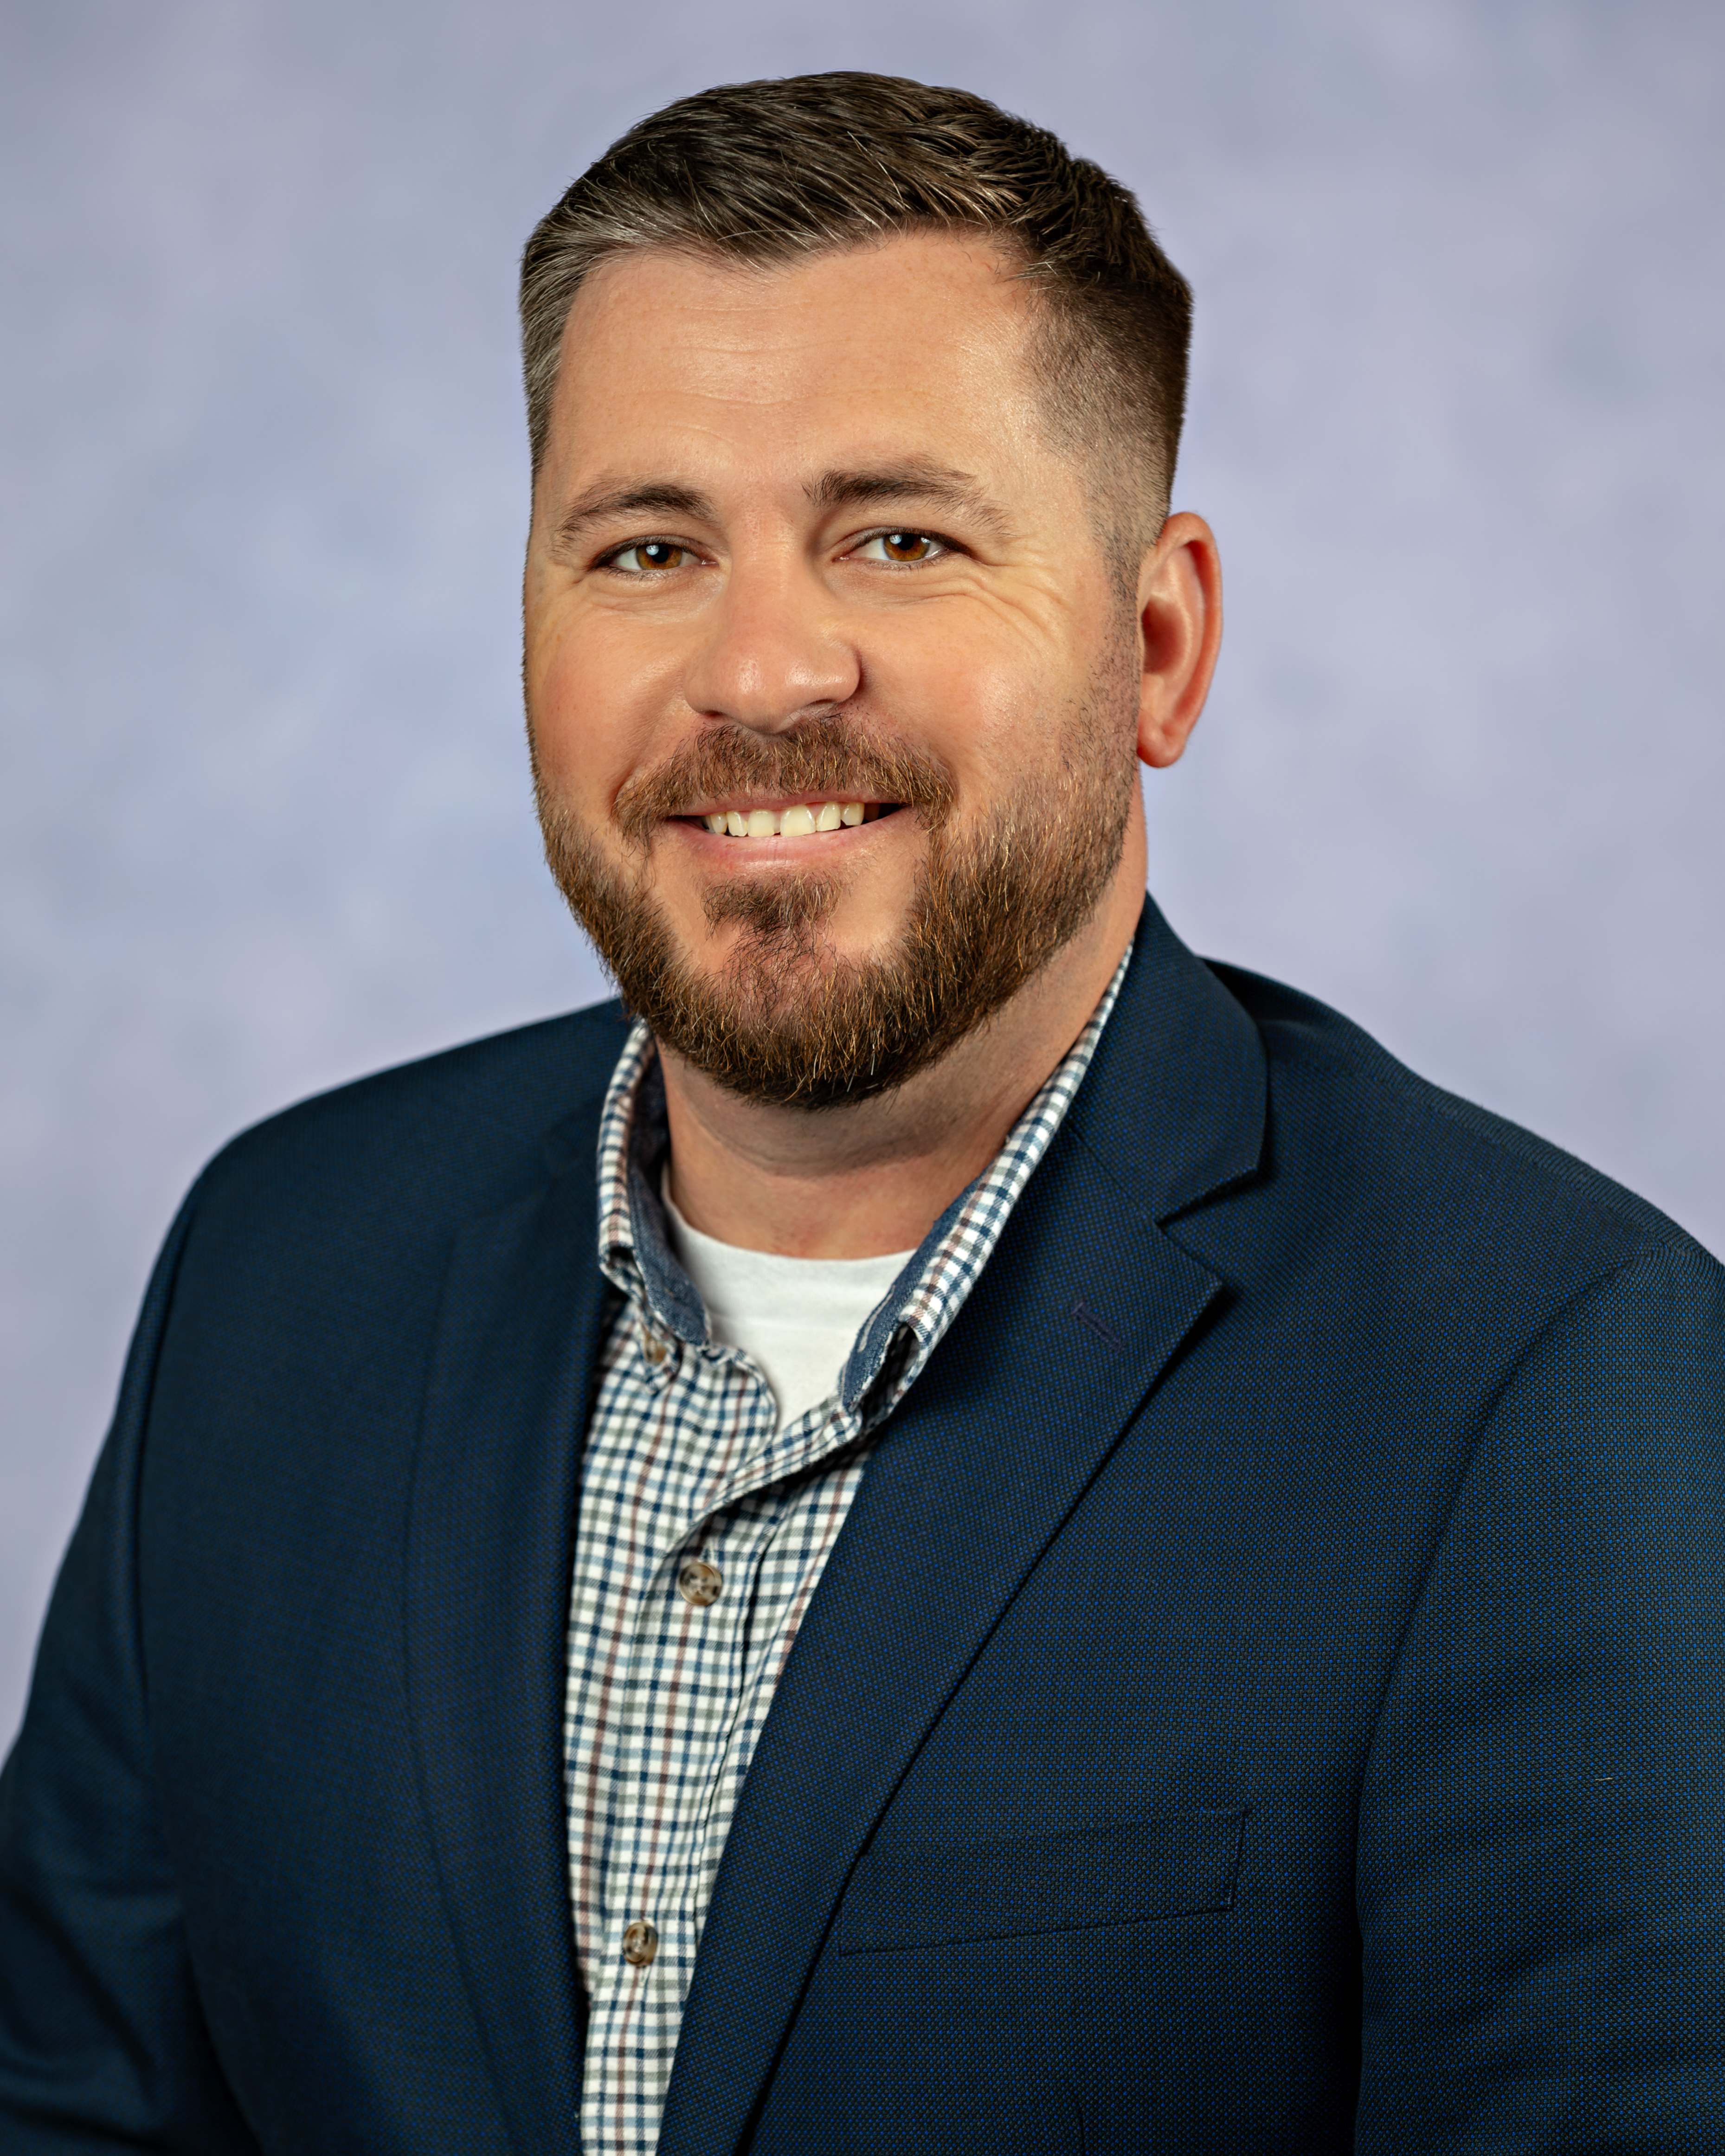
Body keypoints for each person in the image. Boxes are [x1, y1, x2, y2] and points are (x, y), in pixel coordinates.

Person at [1, 68, 1721, 2156]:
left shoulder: (1557, 1394)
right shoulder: (274, 1270)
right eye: (647, 546)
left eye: (896, 537)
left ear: (1158, 644)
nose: (761, 670)